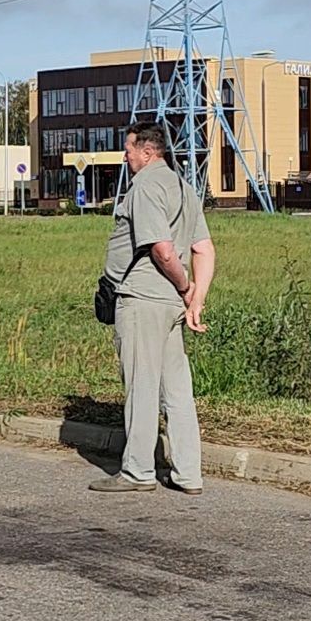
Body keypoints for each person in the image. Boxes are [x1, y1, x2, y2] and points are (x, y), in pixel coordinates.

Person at [90, 121, 216, 495]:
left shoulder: (145, 185)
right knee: (177, 390)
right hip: (170, 306)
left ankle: (138, 471)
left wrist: (183, 285)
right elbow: (204, 250)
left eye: (128, 149)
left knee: (142, 385)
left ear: (147, 151)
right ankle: (188, 473)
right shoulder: (183, 187)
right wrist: (196, 299)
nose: (125, 156)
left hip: (143, 298)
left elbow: (161, 249)